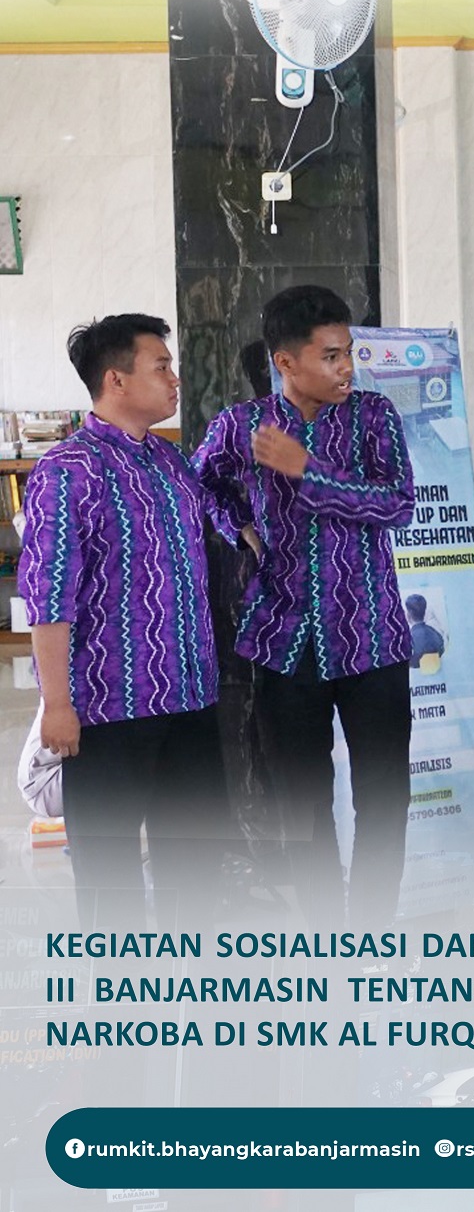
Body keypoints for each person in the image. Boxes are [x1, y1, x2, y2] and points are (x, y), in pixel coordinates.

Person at [193, 286, 416, 929]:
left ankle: (371, 934)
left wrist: (307, 470)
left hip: (372, 637)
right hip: (283, 641)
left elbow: (398, 504)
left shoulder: (373, 416)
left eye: (349, 352)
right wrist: (238, 527)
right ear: (285, 362)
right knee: (303, 804)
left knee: (384, 799)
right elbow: (200, 481)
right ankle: (324, 937)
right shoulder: (243, 425)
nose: (347, 368)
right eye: (331, 356)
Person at [18, 314, 229, 929]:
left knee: (196, 863)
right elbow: (49, 598)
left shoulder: (171, 462)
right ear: (116, 379)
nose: (175, 379)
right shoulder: (67, 469)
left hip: (190, 697)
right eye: (161, 366)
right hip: (109, 708)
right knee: (109, 877)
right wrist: (58, 703)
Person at [405, 594, 446, 669]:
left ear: (408, 615)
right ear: (424, 613)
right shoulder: (436, 633)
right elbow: (442, 652)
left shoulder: (408, 639)